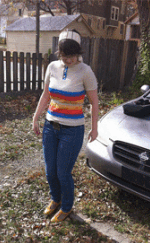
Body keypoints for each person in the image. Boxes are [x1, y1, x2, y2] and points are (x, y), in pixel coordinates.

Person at [32, 29, 99, 222]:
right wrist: (36, 117)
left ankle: (67, 206)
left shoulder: (85, 71)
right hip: (50, 127)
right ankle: (56, 199)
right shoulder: (52, 67)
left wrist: (94, 128)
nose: (68, 59)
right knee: (50, 171)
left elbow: (95, 102)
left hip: (72, 131)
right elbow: (46, 95)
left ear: (78, 52)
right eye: (64, 55)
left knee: (63, 172)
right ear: (59, 52)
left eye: (72, 55)